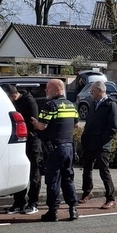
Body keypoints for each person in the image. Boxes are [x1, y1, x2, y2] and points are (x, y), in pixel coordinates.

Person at [30, 78, 79, 222]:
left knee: (53, 181)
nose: (45, 90)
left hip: (54, 149)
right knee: (68, 179)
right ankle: (73, 209)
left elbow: (42, 126)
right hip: (69, 148)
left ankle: (53, 211)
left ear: (57, 90)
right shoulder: (72, 105)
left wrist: (34, 122)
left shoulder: (50, 105)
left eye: (48, 88)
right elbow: (75, 126)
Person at [79, 81, 117, 209]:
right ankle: (87, 192)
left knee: (104, 170)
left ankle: (110, 198)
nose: (91, 93)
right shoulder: (93, 104)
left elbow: (113, 127)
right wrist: (84, 137)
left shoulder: (110, 105)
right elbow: (89, 123)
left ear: (100, 91)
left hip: (102, 144)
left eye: (93, 91)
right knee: (86, 169)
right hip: (90, 142)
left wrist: (103, 140)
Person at [5, 84, 41, 215]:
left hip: (31, 141)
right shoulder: (14, 102)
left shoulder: (29, 102)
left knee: (34, 173)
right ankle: (18, 203)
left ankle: (33, 203)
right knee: (20, 172)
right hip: (19, 142)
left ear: (13, 95)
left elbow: (33, 123)